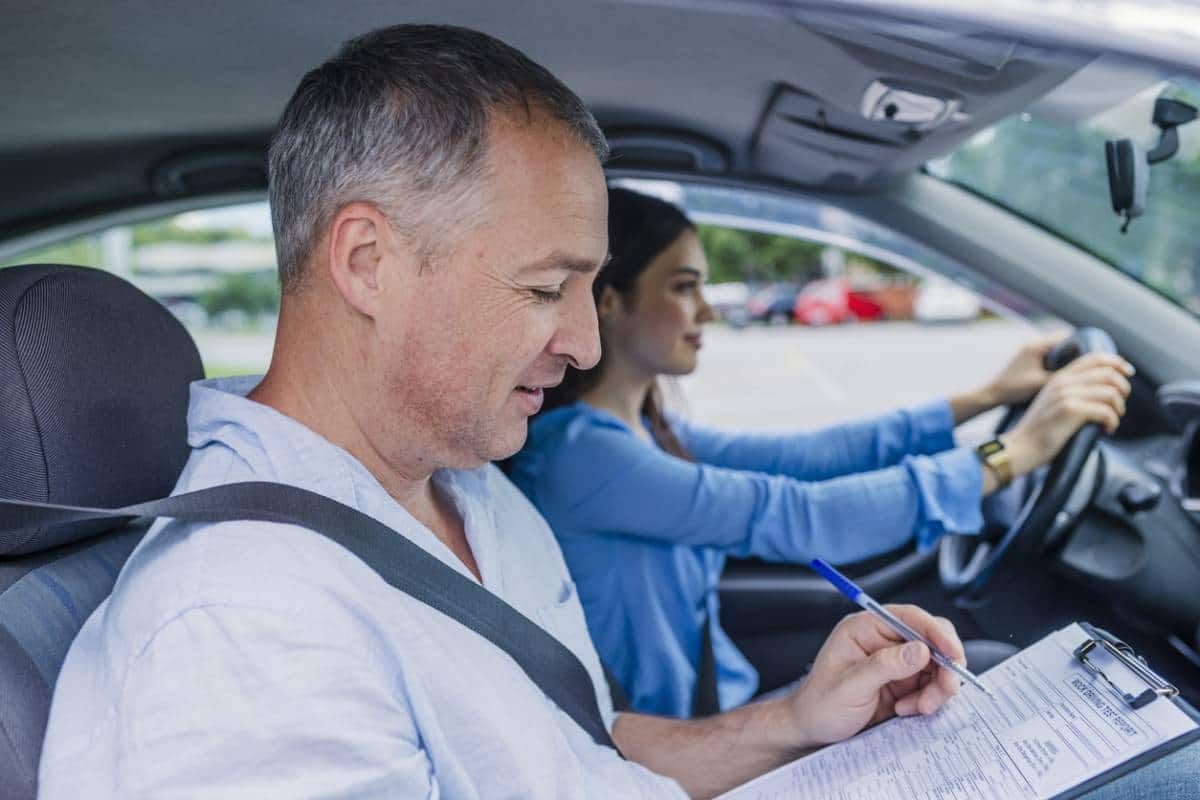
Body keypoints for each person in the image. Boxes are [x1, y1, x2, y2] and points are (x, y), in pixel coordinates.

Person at [36, 23, 1196, 800]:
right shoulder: (241, 628)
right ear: (367, 259)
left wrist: (794, 719)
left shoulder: (468, 491)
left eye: (590, 291)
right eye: (545, 288)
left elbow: (580, 748)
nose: (585, 341)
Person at [507, 187, 1136, 719]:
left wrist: (988, 397)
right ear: (610, 301)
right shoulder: (581, 456)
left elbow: (805, 458)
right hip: (676, 744)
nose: (707, 309)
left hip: (715, 699)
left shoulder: (644, 433)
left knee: (981, 675)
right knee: (992, 675)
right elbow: (800, 515)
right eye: (683, 286)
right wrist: (1013, 453)